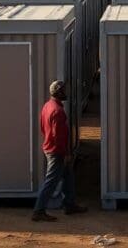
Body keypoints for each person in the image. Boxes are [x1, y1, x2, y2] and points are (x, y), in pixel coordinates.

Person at [32, 81, 86, 222]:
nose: (66, 93)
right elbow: (59, 136)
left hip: (51, 148)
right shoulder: (58, 111)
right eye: (64, 90)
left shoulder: (47, 106)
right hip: (57, 152)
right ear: (59, 92)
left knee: (68, 176)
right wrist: (66, 153)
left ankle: (70, 204)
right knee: (51, 182)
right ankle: (38, 210)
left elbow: (44, 128)